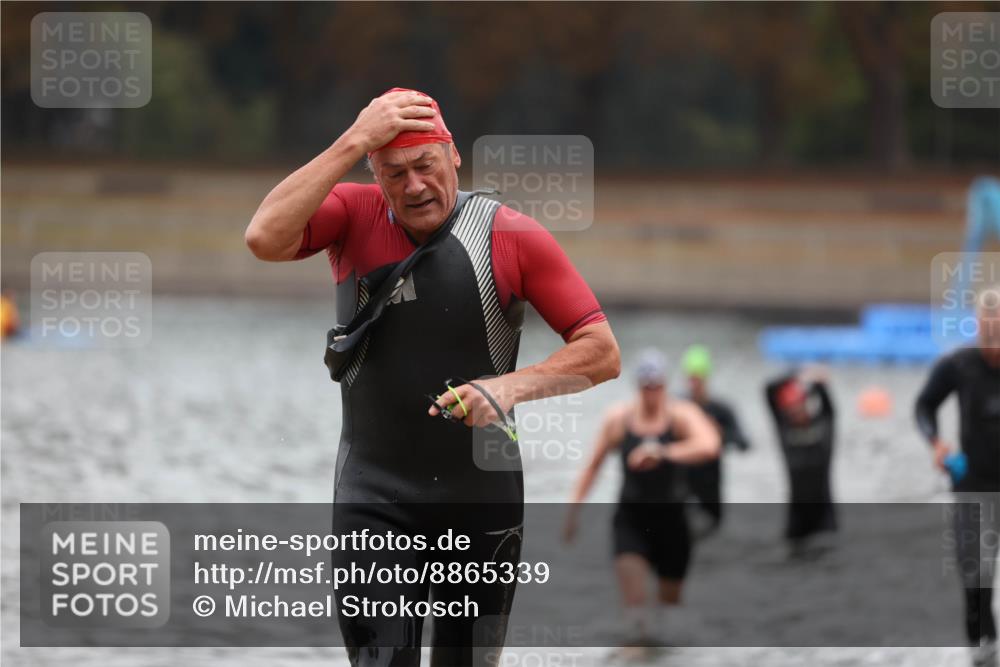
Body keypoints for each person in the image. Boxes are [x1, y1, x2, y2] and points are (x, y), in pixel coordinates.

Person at [245, 88, 620, 667]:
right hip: (374, 497)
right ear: (374, 171)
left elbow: (601, 351)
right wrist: (353, 140)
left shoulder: (509, 235)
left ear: (454, 157)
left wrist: (509, 388)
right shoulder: (350, 214)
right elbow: (263, 238)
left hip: (482, 504)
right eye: (393, 172)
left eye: (425, 165)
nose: (414, 185)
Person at [563, 349, 719, 649]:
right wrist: (572, 513)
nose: (652, 393)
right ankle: (633, 652)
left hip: (673, 524)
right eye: (646, 386)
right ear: (638, 386)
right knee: (636, 611)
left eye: (657, 385)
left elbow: (710, 445)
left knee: (671, 612)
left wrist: (662, 452)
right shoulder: (620, 419)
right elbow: (592, 467)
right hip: (631, 522)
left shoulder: (681, 415)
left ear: (665, 385)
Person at [914, 285, 1000, 667]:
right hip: (973, 487)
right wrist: (936, 442)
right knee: (975, 583)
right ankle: (984, 653)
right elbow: (924, 405)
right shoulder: (959, 365)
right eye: (987, 330)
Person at [764, 365, 837, 554]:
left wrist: (816, 383)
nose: (795, 412)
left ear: (806, 402)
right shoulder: (784, 430)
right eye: (790, 409)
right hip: (796, 522)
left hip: (825, 522)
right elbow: (768, 390)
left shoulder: (824, 426)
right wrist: (795, 375)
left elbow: (829, 406)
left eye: (798, 406)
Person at [680, 344, 750, 532]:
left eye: (699, 379)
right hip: (683, 482)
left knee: (712, 528)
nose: (695, 384)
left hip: (711, 482)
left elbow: (744, 444)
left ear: (706, 378)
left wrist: (718, 433)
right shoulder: (678, 408)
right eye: (691, 379)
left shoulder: (721, 410)